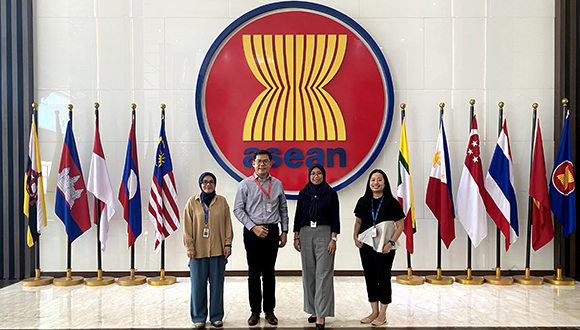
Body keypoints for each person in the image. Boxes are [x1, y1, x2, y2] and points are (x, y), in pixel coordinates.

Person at [233, 149, 289, 326]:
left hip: (272, 231)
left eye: (265, 161)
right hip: (252, 232)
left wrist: (285, 231)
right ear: (253, 163)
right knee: (254, 273)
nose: (262, 164)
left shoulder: (278, 184)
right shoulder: (245, 184)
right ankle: (255, 311)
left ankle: (270, 311)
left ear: (271, 163)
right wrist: (253, 227)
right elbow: (238, 210)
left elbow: (283, 210)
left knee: (270, 273)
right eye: (259, 161)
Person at [353, 169, 404, 326]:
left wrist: (391, 243)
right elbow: (358, 222)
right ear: (369, 183)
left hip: (384, 247)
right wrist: (355, 237)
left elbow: (400, 226)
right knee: (370, 277)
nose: (376, 183)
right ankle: (374, 311)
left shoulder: (391, 202)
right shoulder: (363, 201)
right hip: (366, 245)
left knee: (383, 278)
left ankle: (383, 313)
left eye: (379, 180)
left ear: (385, 183)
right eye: (373, 180)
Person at [183, 172, 233, 329]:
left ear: (215, 184)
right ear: (200, 184)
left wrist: (228, 244)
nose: (208, 184)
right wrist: (189, 246)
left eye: (211, 182)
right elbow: (187, 227)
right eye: (205, 182)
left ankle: (217, 316)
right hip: (198, 252)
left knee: (217, 285)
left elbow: (227, 225)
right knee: (198, 286)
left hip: (218, 251)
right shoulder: (192, 202)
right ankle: (199, 317)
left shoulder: (222, 202)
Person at [293, 164, 340, 330]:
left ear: (324, 175)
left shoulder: (330, 194)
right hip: (305, 234)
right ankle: (313, 310)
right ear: (309, 175)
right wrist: (296, 236)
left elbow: (335, 217)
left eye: (319, 173)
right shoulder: (303, 193)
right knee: (309, 273)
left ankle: (321, 314)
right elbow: (298, 215)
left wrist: (333, 238)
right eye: (313, 173)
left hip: (325, 234)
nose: (316, 176)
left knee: (323, 273)